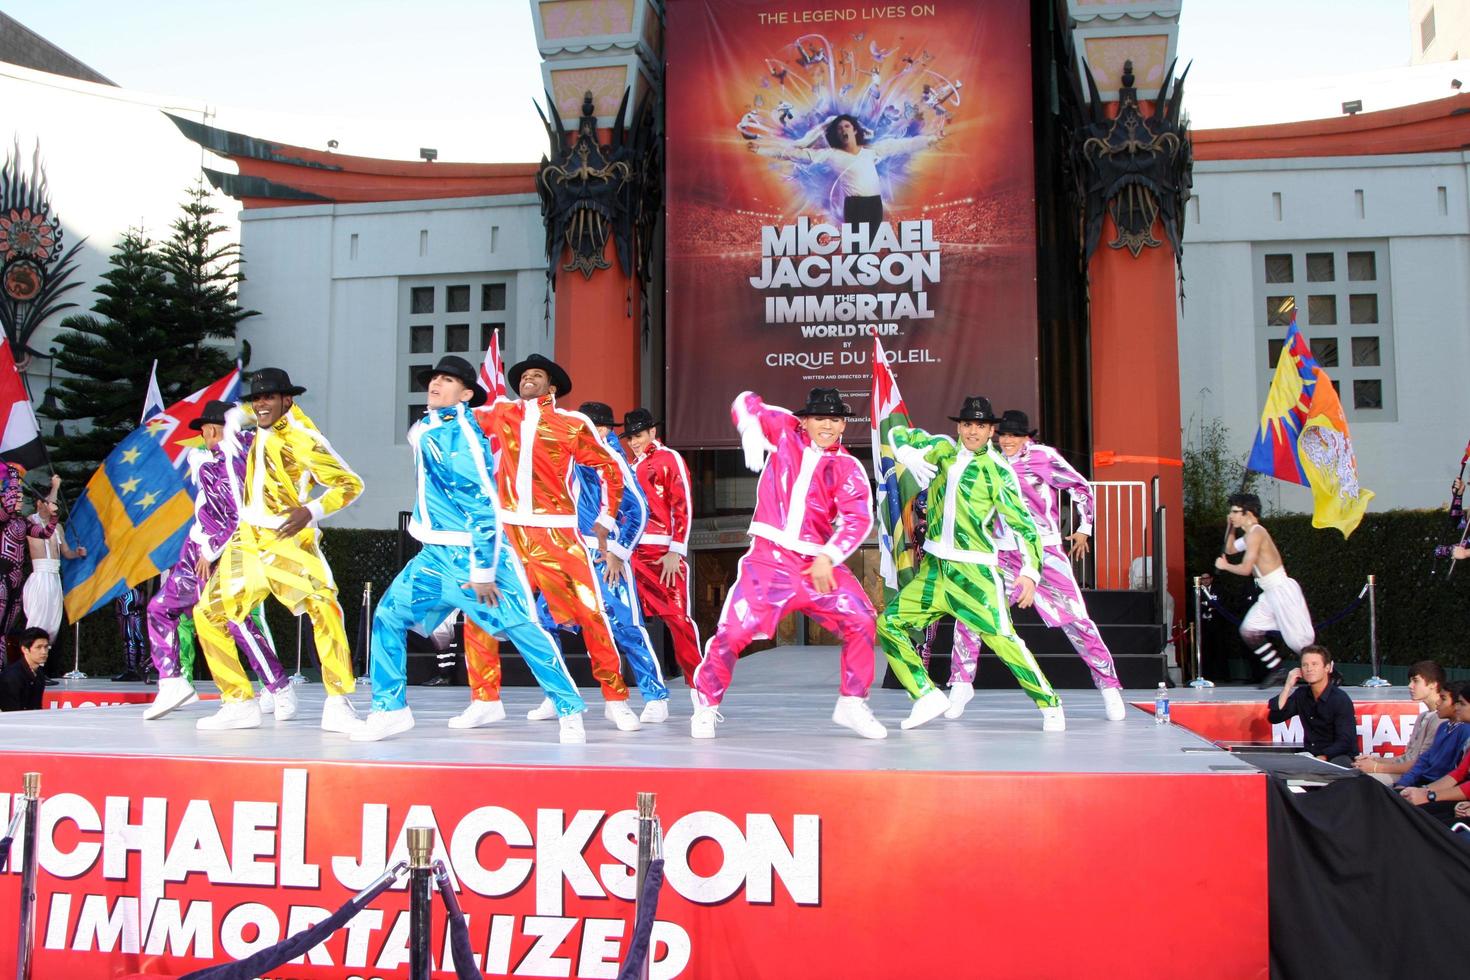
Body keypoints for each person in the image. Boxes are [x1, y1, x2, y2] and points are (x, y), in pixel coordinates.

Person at [355, 356, 586, 742]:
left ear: (465, 395)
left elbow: (484, 508)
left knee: (522, 629)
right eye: (434, 379)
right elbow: (421, 434)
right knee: (388, 617)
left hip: (472, 560)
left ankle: (569, 707)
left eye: (446, 381)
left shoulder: (462, 437)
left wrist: (483, 572)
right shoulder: (429, 426)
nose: (435, 384)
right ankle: (390, 709)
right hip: (433, 558)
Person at [690, 388, 885, 740]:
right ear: (806, 420)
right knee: (733, 632)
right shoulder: (784, 430)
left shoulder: (847, 467)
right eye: (821, 418)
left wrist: (829, 555)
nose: (828, 425)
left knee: (861, 617)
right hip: (768, 562)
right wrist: (750, 427)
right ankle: (706, 701)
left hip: (817, 565)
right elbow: (745, 400)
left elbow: (858, 519)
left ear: (843, 425)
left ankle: (853, 702)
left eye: (836, 419)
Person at [464, 353, 643, 732]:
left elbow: (609, 468)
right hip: (511, 535)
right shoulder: (502, 414)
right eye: (524, 375)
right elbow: (459, 424)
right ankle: (484, 698)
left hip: (558, 534)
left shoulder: (571, 423)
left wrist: (606, 519)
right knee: (479, 611)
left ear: (552, 386)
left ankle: (615, 699)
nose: (527, 379)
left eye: (536, 375)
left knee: (592, 614)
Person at [877, 396, 1064, 732]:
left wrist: (1030, 572)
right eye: (967, 424)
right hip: (934, 570)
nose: (972, 431)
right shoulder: (943, 449)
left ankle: (1049, 703)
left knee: (1004, 640)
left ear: (991, 430)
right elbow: (898, 431)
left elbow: (1025, 526)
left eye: (980, 425)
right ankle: (925, 694)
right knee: (888, 624)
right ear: (958, 426)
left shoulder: (997, 471)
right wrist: (905, 454)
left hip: (974, 574)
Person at [192, 368, 364, 732]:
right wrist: (239, 415)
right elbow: (238, 416)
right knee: (208, 613)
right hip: (247, 541)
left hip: (286, 541)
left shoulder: (304, 437)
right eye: (256, 398)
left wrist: (311, 510)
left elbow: (350, 484)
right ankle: (238, 701)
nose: (261, 404)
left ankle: (338, 701)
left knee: (324, 607)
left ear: (288, 399)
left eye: (269, 397)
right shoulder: (258, 427)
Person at [946, 410, 1125, 722]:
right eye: (1004, 435)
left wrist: (1085, 528)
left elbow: (1080, 486)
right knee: (973, 614)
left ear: (1026, 436)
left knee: (1077, 621)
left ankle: (1109, 687)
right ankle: (961, 683)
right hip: (1000, 553)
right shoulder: (987, 459)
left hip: (1044, 550)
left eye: (1015, 435)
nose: (1008, 441)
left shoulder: (1043, 457)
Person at [143, 400, 288, 722]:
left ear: (211, 430)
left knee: (232, 621)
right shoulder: (220, 460)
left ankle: (270, 689)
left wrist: (211, 551)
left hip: (216, 552)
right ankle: (175, 681)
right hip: (202, 548)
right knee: (171, 611)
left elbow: (236, 513)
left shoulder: (231, 461)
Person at [531, 401, 670, 722]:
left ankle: (655, 696)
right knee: (543, 623)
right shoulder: (566, 455)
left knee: (625, 627)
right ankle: (558, 693)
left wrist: (619, 552)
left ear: (606, 430)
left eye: (595, 426)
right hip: (567, 554)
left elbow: (638, 509)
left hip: (603, 555)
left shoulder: (611, 460)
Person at [622, 407, 703, 687]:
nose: (634, 442)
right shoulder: (630, 466)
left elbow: (683, 504)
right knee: (629, 624)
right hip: (631, 554)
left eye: (639, 435)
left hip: (661, 554)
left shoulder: (669, 458)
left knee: (678, 620)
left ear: (652, 432)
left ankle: (699, 687)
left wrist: (676, 550)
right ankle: (653, 691)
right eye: (630, 437)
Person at [748, 113, 943, 225]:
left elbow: (902, 145)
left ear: (855, 130)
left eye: (847, 126)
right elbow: (793, 154)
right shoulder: (831, 154)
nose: (843, 130)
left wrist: (931, 140)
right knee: (857, 250)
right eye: (839, 128)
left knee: (872, 247)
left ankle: (871, 285)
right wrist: (761, 149)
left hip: (875, 205)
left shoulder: (871, 152)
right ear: (836, 135)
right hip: (854, 207)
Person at [1215, 493, 1314, 688]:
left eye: (1235, 512)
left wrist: (1225, 566)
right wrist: (1229, 526)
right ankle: (1277, 669)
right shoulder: (1251, 533)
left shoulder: (1256, 534)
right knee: (1249, 630)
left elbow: (1244, 569)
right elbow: (1230, 549)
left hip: (1281, 590)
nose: (1232, 515)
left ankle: (1331, 671)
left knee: (1300, 642)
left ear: (1249, 514)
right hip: (1269, 592)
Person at [1353, 660, 1448, 785]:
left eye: (1416, 681)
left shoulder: (1441, 719)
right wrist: (1375, 759)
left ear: (1433, 684)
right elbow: (1407, 758)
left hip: (1418, 780)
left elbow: (1422, 764)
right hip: (1408, 774)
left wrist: (1376, 766)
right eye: (1410, 681)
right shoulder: (1423, 716)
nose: (1410, 686)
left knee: (1362, 781)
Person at [1265, 645, 1356, 764]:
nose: (1309, 669)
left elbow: (1345, 741)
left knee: (1339, 762)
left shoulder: (1340, 699)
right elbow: (1274, 717)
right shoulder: (1301, 694)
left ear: (1327, 668)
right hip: (1311, 756)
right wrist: (1288, 686)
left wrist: (1323, 757)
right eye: (1305, 665)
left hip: (1336, 757)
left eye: (1314, 664)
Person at [1400, 681, 1470, 827]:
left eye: (1462, 704)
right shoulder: (1444, 727)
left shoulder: (1463, 731)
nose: (1457, 707)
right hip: (1449, 793)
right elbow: (1459, 773)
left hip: (1457, 797)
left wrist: (1429, 795)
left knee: (1421, 824)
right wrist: (1422, 791)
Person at [23, 475, 84, 641]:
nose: (51, 505)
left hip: (54, 577)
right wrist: (55, 486)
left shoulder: (58, 527)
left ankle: (44, 660)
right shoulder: (31, 521)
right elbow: (47, 520)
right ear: (38, 503)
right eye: (47, 501)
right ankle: (29, 659)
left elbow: (66, 552)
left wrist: (77, 553)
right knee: (37, 620)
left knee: (52, 623)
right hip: (40, 576)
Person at [0, 463, 56, 639]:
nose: (20, 500)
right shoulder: (2, 519)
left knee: (4, 630)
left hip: (17, 579)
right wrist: (14, 478)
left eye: (21, 497)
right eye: (17, 497)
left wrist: (54, 516)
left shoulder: (23, 522)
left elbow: (45, 533)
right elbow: (7, 507)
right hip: (2, 577)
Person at [1389, 681, 1470, 790]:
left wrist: (1426, 793)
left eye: (1443, 698)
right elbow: (1423, 761)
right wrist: (1403, 784)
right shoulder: (1443, 727)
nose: (1437, 702)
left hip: (1441, 787)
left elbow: (1456, 775)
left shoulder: (1465, 730)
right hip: (1425, 783)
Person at [0, 627, 50, 711]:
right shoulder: (12, 677)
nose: (44, 652)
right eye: (38, 647)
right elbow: (10, 712)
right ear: (25, 649)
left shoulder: (39, 675)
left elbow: (37, 707)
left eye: (46, 647)